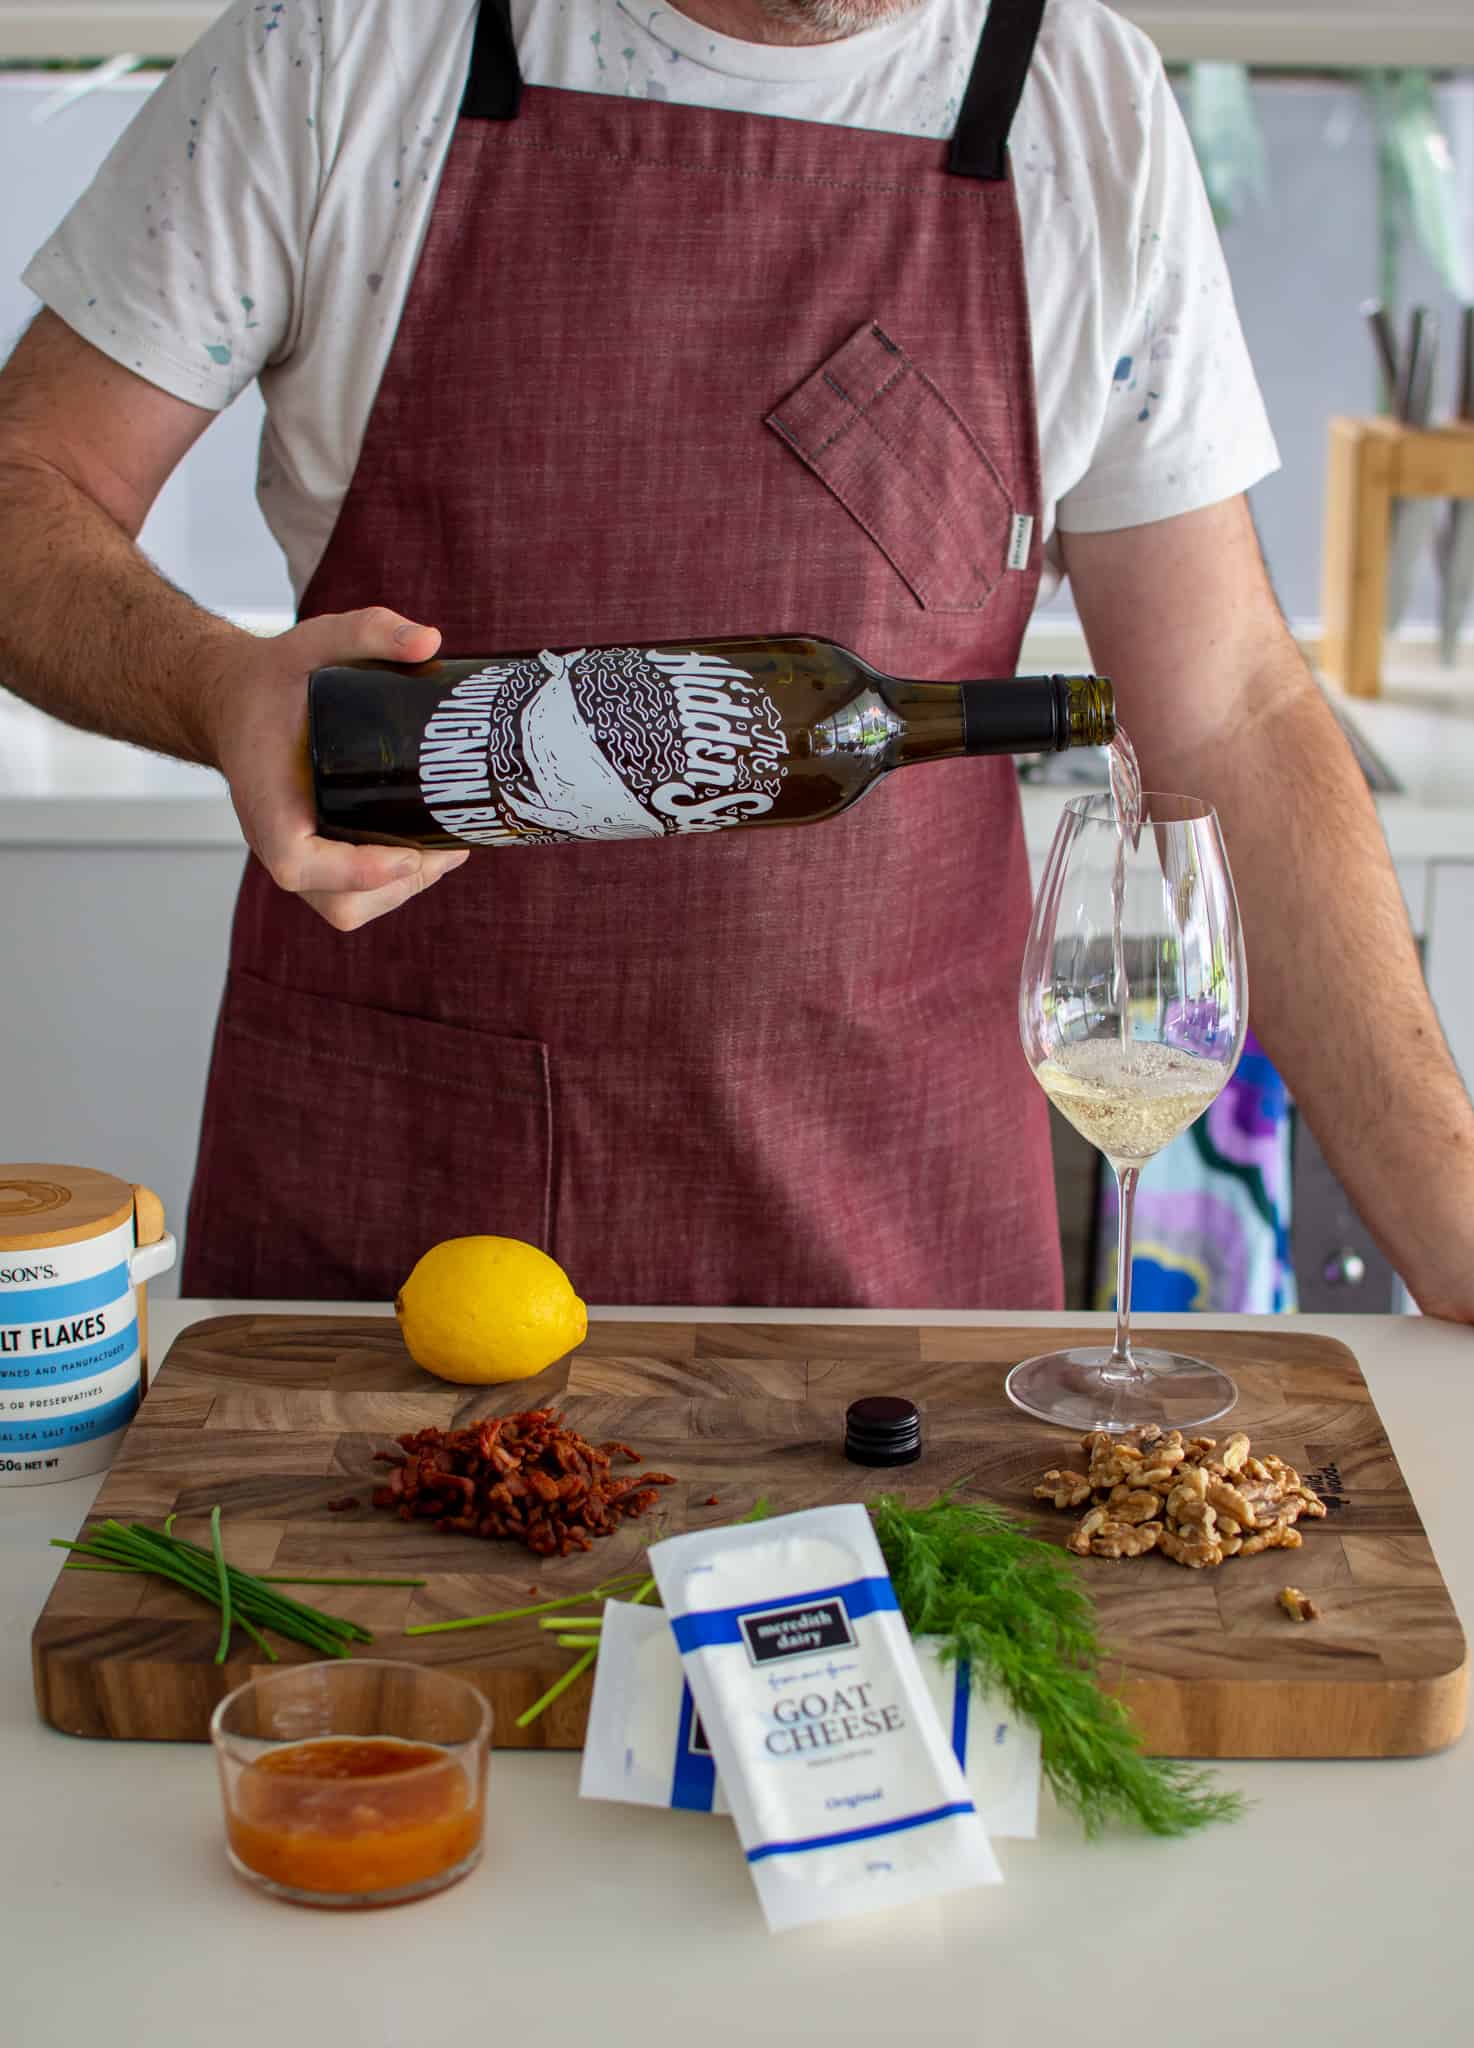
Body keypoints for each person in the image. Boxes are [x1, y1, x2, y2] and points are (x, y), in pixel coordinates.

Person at [2, 0, 1471, 1320]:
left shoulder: (1083, 102)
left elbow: (1227, 706)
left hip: (905, 1229)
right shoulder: (344, 48)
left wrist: (1456, 1232)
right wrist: (217, 685)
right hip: (415, 1212)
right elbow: (25, 490)